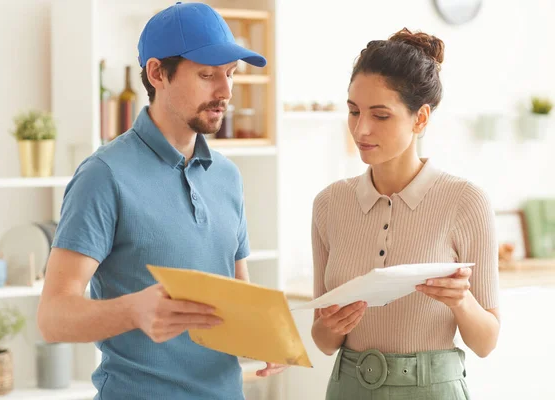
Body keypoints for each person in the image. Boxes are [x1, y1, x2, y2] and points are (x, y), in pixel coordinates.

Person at [37, 3, 286, 399]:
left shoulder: (227, 176)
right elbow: (52, 317)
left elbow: (239, 291)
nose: (225, 91)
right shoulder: (104, 174)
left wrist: (266, 336)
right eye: (207, 75)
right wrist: (132, 310)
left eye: (230, 74)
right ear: (157, 74)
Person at [310, 28, 500, 399]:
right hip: (348, 387)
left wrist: (461, 300)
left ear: (421, 118)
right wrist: (331, 326)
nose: (361, 129)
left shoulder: (466, 201)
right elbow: (323, 341)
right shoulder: (329, 204)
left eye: (380, 115)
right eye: (353, 111)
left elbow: (486, 342)